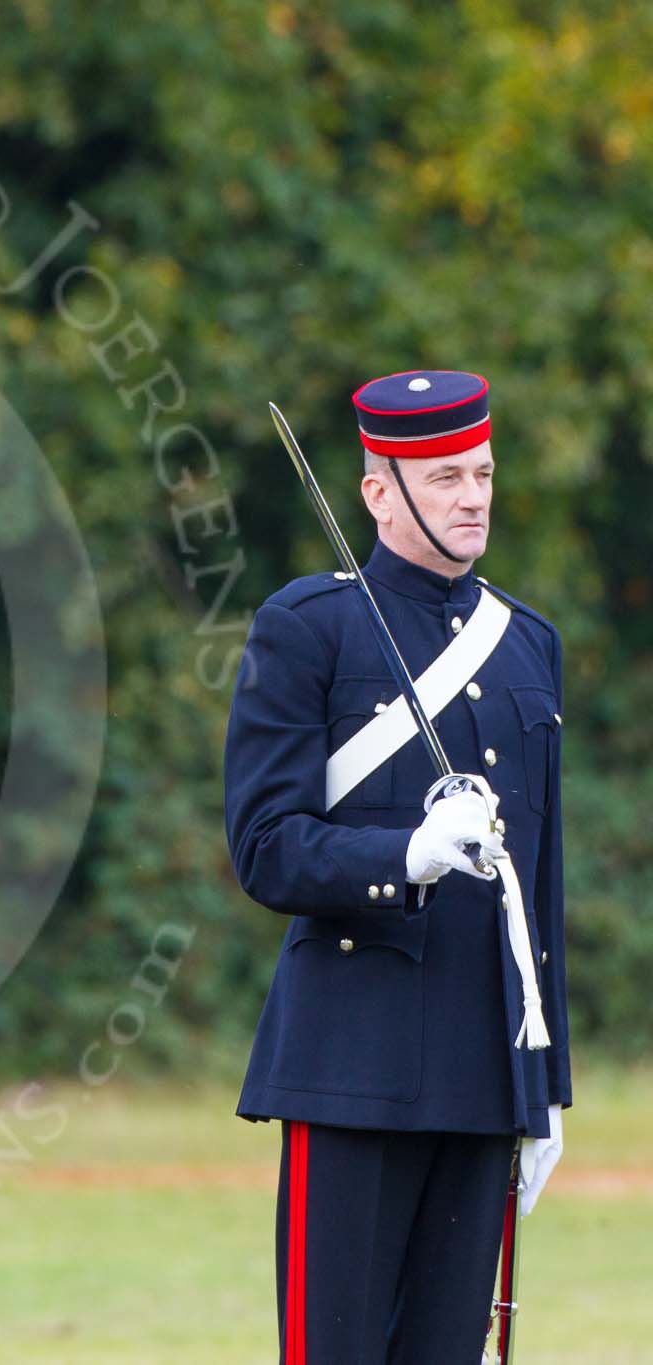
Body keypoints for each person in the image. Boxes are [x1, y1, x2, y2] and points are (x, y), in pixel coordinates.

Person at [227, 370, 570, 1362]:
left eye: (482, 473)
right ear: (377, 491)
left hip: (479, 1070)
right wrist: (404, 856)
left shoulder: (527, 643)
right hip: (351, 1066)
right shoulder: (306, 628)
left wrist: (543, 1079)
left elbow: (536, 890)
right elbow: (262, 846)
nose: (471, 497)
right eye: (444, 476)